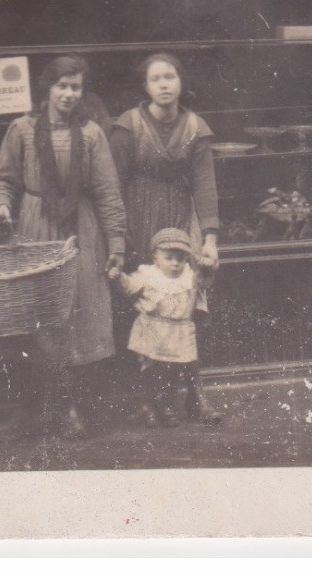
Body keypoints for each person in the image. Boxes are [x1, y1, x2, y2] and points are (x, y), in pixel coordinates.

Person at [0, 55, 128, 438]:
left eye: (75, 87)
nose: (68, 94)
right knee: (36, 322)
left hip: (80, 233)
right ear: (46, 90)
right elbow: (3, 181)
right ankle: (29, 414)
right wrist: (2, 207)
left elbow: (107, 193)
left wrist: (116, 242)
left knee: (76, 318)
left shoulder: (92, 135)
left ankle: (69, 412)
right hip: (34, 229)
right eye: (61, 86)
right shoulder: (22, 130)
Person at [108, 51, 223, 424]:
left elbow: (205, 186)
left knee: (184, 305)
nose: (163, 85)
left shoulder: (195, 128)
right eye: (155, 79)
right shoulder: (128, 126)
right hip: (137, 218)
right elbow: (112, 185)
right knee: (144, 304)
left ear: (180, 83)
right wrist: (118, 236)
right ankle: (146, 401)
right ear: (145, 87)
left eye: (169, 78)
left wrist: (209, 238)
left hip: (179, 219)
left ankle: (194, 395)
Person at [109, 228, 208, 428]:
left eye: (180, 259)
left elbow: (205, 281)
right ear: (156, 257)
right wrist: (118, 276)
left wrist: (207, 267)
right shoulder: (148, 274)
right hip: (153, 330)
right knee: (152, 371)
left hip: (178, 331)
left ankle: (167, 406)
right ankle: (151, 407)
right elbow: (129, 287)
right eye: (169, 258)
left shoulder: (189, 276)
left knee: (173, 373)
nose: (174, 263)